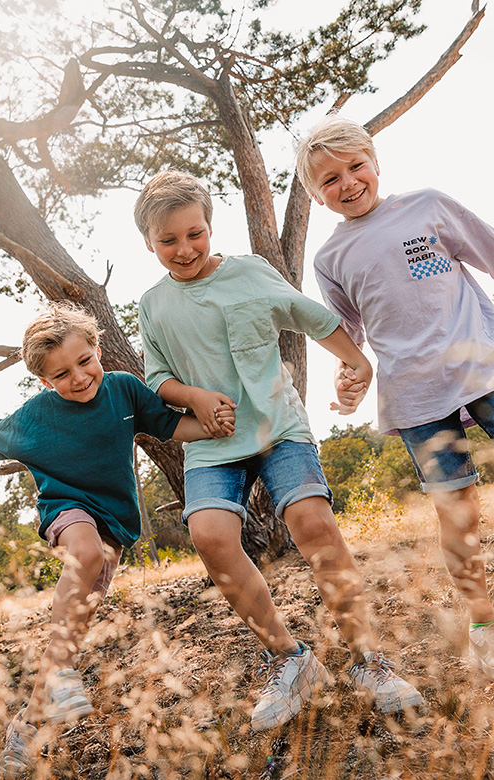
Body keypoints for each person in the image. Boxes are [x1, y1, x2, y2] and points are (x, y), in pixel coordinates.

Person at [133, 169, 424, 732]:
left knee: (312, 521)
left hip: (277, 426)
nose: (184, 248)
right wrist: (193, 396)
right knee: (210, 536)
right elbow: (157, 377)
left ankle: (370, 660)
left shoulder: (248, 273)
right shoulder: (153, 304)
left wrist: (356, 360)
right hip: (212, 442)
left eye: (194, 233)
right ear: (149, 243)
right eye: (168, 240)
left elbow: (309, 315)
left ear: (209, 228)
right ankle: (290, 661)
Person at [0, 303, 235, 779]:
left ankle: (26, 728)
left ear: (98, 350)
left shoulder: (122, 389)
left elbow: (168, 426)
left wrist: (214, 425)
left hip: (114, 523)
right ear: (44, 381)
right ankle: (57, 678)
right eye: (62, 373)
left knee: (72, 634)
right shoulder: (35, 417)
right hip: (67, 511)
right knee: (85, 551)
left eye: (85, 361)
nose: (79, 377)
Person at [296, 113, 494, 683]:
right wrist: (349, 377)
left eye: (356, 167)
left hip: (481, 363)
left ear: (375, 164)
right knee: (457, 513)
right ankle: (482, 624)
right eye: (329, 180)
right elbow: (350, 332)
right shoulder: (330, 260)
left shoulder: (428, 206)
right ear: (316, 195)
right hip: (414, 393)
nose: (348, 183)